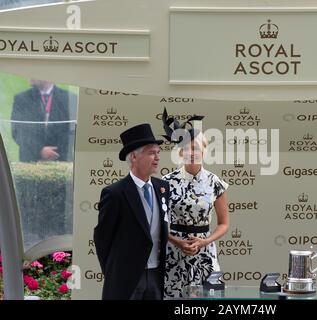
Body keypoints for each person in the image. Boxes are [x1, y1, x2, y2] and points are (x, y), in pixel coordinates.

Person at [93, 123, 170, 300]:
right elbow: (102, 237)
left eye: (158, 152)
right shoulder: (114, 193)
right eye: (152, 152)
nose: (157, 157)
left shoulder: (162, 188)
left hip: (156, 275)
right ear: (134, 156)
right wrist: (114, 273)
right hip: (126, 278)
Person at [161, 109, 230, 298]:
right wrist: (178, 242)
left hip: (205, 252)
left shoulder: (215, 183)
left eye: (197, 148)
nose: (192, 152)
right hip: (173, 251)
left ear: (205, 151)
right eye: (188, 148)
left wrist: (205, 241)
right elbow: (159, 222)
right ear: (181, 151)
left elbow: (224, 223)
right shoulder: (165, 182)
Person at [11, 79, 77, 162]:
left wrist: (53, 152)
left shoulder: (70, 98)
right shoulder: (21, 99)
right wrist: (39, 150)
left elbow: (73, 132)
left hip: (61, 163)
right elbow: (17, 131)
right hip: (30, 164)